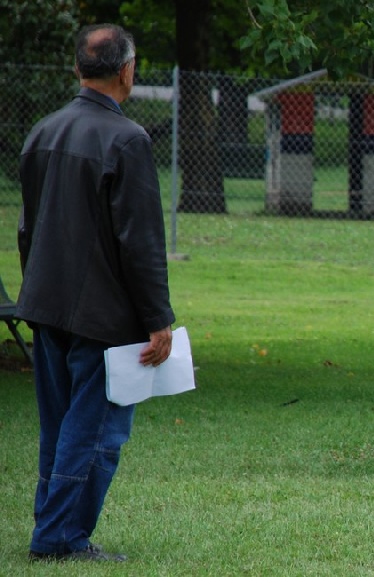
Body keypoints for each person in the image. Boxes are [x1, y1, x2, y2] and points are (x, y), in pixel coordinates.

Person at [18, 24, 175, 562]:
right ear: (127, 70)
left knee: (59, 426)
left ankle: (53, 527)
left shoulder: (43, 131)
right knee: (96, 433)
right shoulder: (127, 139)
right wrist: (158, 319)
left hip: (47, 305)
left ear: (77, 69)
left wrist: (37, 293)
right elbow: (140, 241)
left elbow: (28, 228)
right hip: (103, 316)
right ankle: (59, 538)